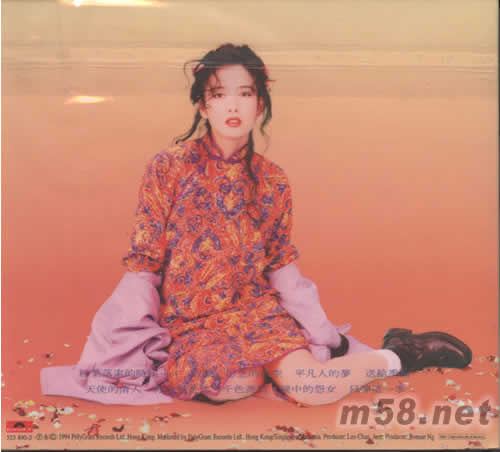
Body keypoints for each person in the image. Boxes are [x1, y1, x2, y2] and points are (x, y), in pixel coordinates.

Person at [119, 43, 472, 407]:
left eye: (245, 94)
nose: (233, 106)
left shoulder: (271, 181)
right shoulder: (168, 168)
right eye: (219, 95)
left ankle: (400, 353)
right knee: (230, 385)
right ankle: (265, 369)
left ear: (260, 105)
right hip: (193, 325)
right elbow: (144, 264)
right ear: (203, 106)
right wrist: (125, 345)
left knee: (313, 389)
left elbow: (280, 266)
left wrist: (325, 335)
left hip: (255, 314)